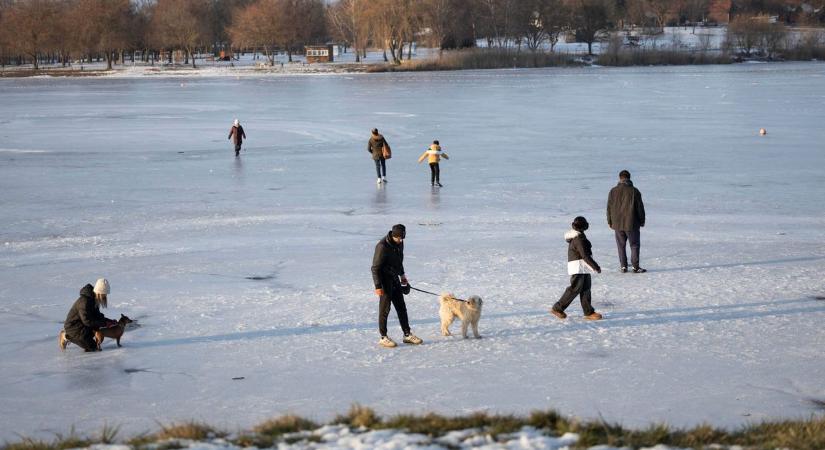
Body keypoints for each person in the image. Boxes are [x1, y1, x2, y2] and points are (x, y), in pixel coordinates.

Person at [371, 224, 423, 348]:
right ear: (393, 235)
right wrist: (378, 286)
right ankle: (383, 337)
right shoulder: (382, 246)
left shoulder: (400, 243)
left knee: (401, 308)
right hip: (384, 282)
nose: (400, 240)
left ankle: (407, 335)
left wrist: (402, 275)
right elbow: (375, 268)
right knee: (385, 311)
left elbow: (399, 261)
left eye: (402, 238)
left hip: (395, 279)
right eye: (398, 238)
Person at [551, 217, 603, 321]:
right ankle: (558, 308)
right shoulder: (578, 239)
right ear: (583, 226)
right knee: (575, 288)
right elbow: (585, 255)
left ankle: (589, 312)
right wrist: (595, 266)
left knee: (586, 289)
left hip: (583, 267)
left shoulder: (579, 236)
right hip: (578, 266)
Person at [607, 170, 646, 273]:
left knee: (621, 245)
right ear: (629, 178)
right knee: (634, 245)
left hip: (617, 224)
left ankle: (623, 266)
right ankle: (635, 267)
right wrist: (642, 220)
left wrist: (610, 221)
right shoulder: (634, 191)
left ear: (620, 178)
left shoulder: (613, 191)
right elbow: (640, 208)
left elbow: (609, 207)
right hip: (632, 223)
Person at [62, 279, 116, 352]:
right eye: (104, 294)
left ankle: (84, 339)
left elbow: (97, 316)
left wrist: (108, 321)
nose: (105, 296)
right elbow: (87, 321)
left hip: (82, 326)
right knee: (92, 347)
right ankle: (66, 336)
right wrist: (104, 323)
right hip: (73, 328)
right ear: (99, 292)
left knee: (93, 338)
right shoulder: (84, 301)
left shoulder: (93, 299)